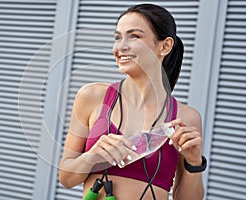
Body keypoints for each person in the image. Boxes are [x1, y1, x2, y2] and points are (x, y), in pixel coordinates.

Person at [59, 3, 206, 200]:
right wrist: (93, 157)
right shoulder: (92, 97)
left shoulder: (187, 118)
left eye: (134, 36)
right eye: (117, 37)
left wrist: (194, 164)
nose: (120, 47)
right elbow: (66, 178)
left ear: (165, 46)